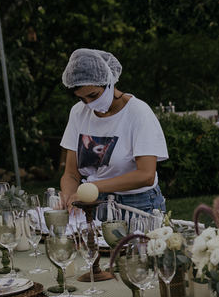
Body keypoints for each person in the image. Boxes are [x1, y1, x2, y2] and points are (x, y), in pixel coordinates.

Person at [59, 48, 168, 213]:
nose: (88, 103)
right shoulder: (78, 112)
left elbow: (146, 175)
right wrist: (69, 196)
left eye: (94, 95)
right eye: (81, 98)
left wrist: (93, 187)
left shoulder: (138, 112)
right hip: (94, 203)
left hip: (138, 204)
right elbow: (72, 174)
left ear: (109, 82)